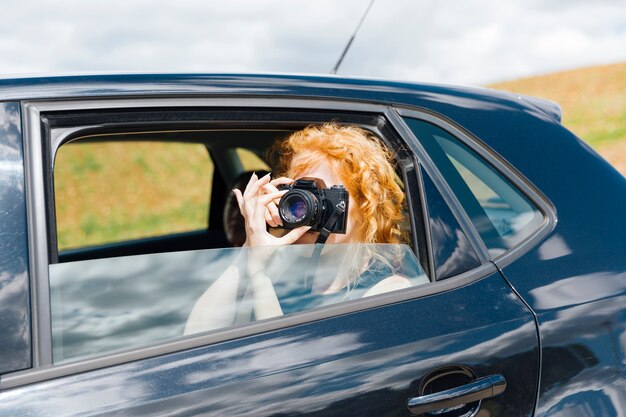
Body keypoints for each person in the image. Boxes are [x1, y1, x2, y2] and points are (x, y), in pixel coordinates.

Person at [184, 123, 413, 335]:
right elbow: (196, 333)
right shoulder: (284, 265)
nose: (304, 210)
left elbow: (287, 366)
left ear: (366, 206)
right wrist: (250, 249)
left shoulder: (387, 292)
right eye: (298, 194)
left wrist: (259, 275)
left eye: (323, 196)